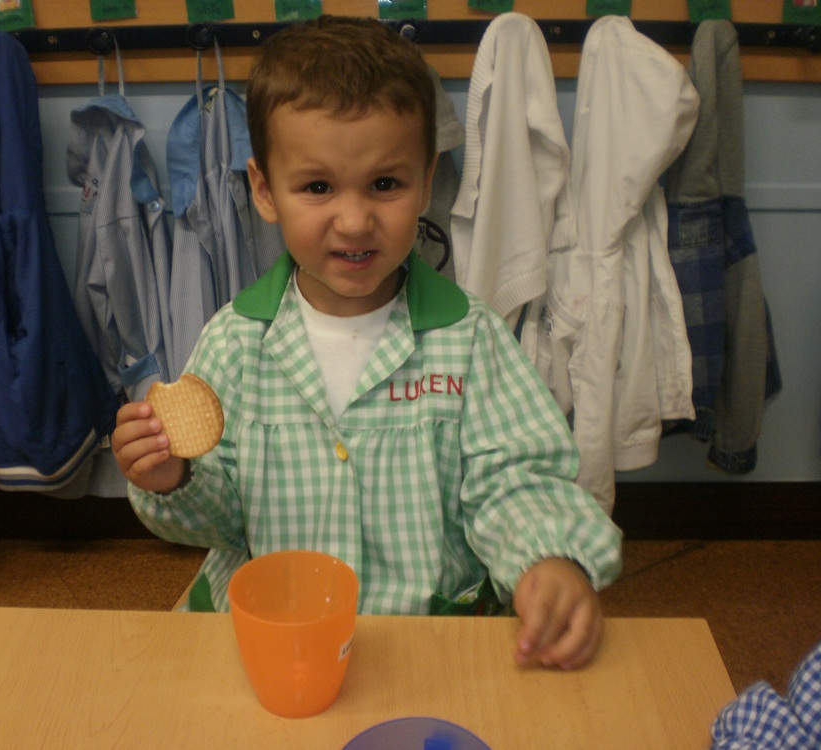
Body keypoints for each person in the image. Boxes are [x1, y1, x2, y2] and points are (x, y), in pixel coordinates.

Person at [112, 15, 622, 670]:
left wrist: (547, 556)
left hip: (424, 647)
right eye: (318, 187)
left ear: (426, 179)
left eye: (385, 184)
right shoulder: (234, 344)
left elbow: (515, 481)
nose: (354, 221)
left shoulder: (470, 339)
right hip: (278, 642)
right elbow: (221, 518)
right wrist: (174, 478)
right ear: (264, 190)